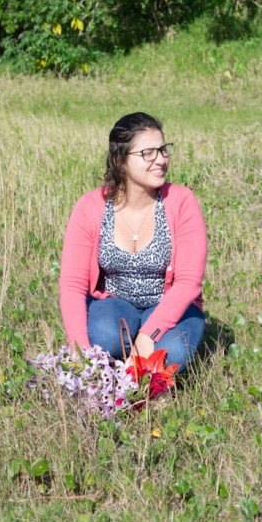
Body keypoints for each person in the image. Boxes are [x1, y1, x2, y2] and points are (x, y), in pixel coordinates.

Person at [59, 112, 207, 371]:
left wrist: (147, 336)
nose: (161, 160)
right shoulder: (90, 206)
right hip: (114, 303)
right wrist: (81, 353)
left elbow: (188, 283)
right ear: (120, 160)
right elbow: (73, 284)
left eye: (163, 150)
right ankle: (119, 362)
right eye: (148, 153)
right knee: (103, 338)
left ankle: (140, 354)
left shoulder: (182, 201)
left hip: (169, 303)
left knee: (172, 353)